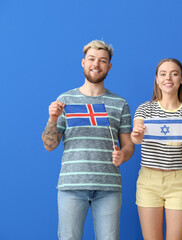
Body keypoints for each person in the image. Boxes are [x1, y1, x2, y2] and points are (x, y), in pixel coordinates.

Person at [41, 40, 134, 240]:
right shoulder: (65, 100)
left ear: (109, 66)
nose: (96, 64)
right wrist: (52, 119)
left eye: (102, 61)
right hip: (72, 186)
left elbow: (129, 145)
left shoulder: (120, 103)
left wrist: (123, 155)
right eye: (91, 59)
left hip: (108, 188)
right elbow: (50, 145)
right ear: (83, 62)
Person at [131, 58, 182, 240]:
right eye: (163, 74)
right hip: (148, 182)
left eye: (174, 73)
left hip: (179, 181)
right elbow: (136, 138)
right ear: (156, 79)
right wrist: (136, 135)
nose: (168, 78)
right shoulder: (144, 109)